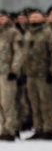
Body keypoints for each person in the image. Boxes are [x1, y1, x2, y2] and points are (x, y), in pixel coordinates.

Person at [22, 9, 52, 140]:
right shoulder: (28, 34)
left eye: (37, 16)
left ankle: (48, 129)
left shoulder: (47, 33)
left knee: (46, 103)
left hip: (43, 74)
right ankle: (39, 128)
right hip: (31, 74)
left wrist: (51, 71)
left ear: (43, 18)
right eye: (32, 17)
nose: (34, 19)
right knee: (34, 103)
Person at [0, 10, 23, 141]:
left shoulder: (13, 33)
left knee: (8, 102)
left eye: (3, 17)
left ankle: (10, 130)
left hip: (7, 73)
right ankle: (3, 128)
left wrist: (14, 70)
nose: (1, 20)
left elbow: (19, 53)